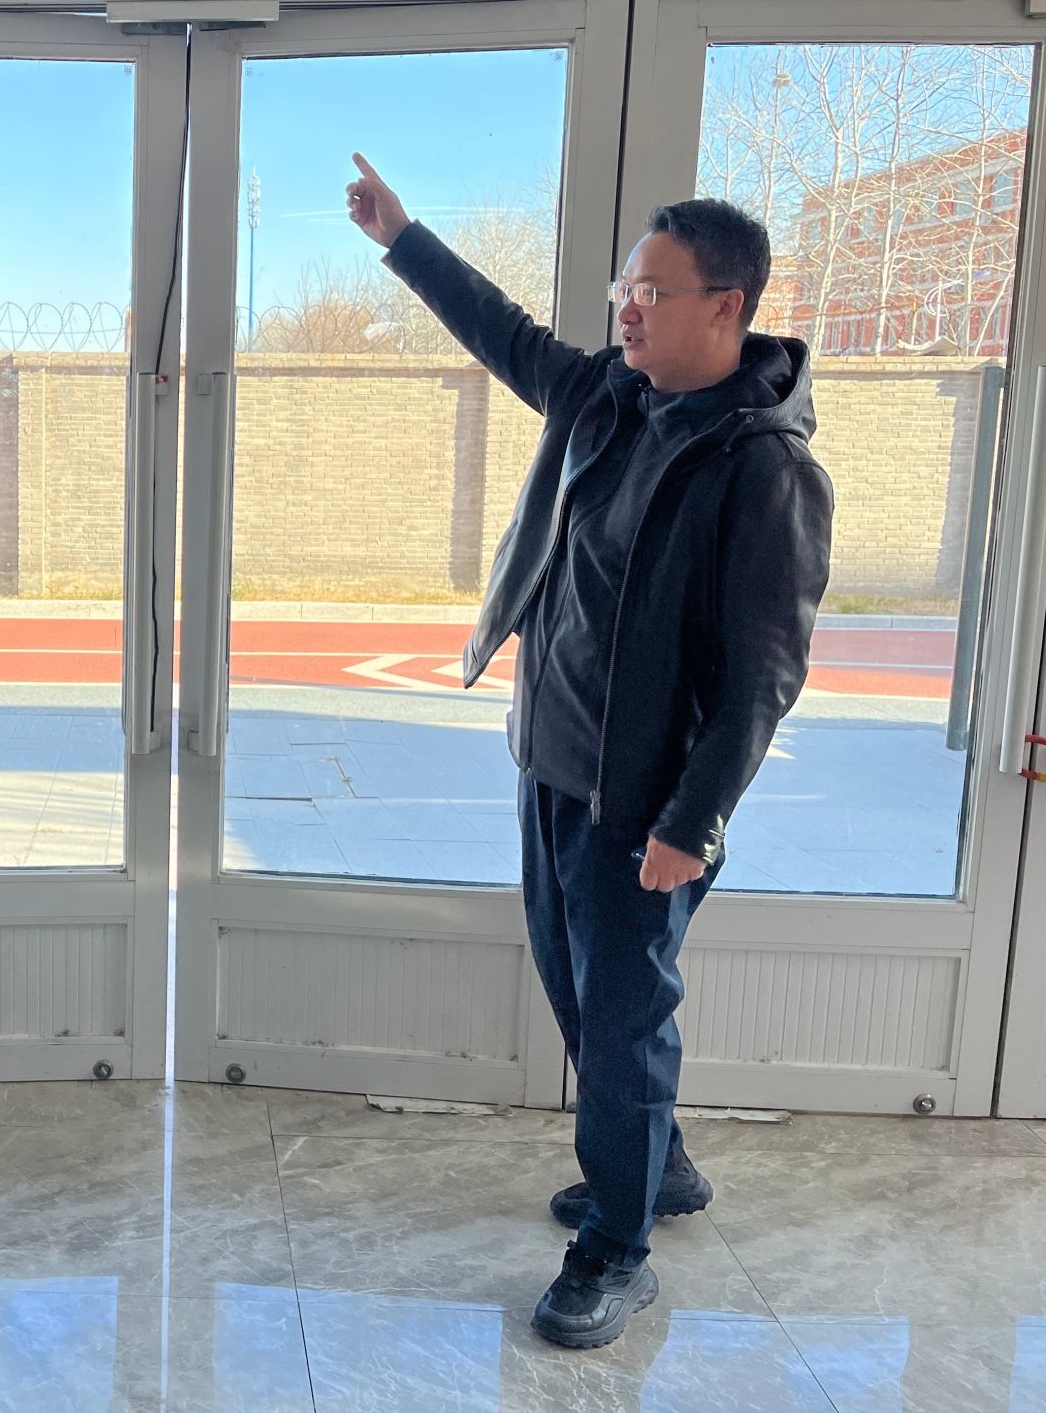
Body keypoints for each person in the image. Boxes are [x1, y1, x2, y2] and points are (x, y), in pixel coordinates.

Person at [345, 158, 833, 1351]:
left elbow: (762, 676)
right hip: (552, 769)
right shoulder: (608, 398)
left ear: (725, 307)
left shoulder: (762, 469)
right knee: (580, 999)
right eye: (624, 286)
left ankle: (617, 1248)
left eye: (651, 292)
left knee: (620, 1024)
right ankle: (656, 1170)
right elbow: (502, 332)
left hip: (644, 806)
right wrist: (400, 238)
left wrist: (689, 824)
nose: (626, 309)